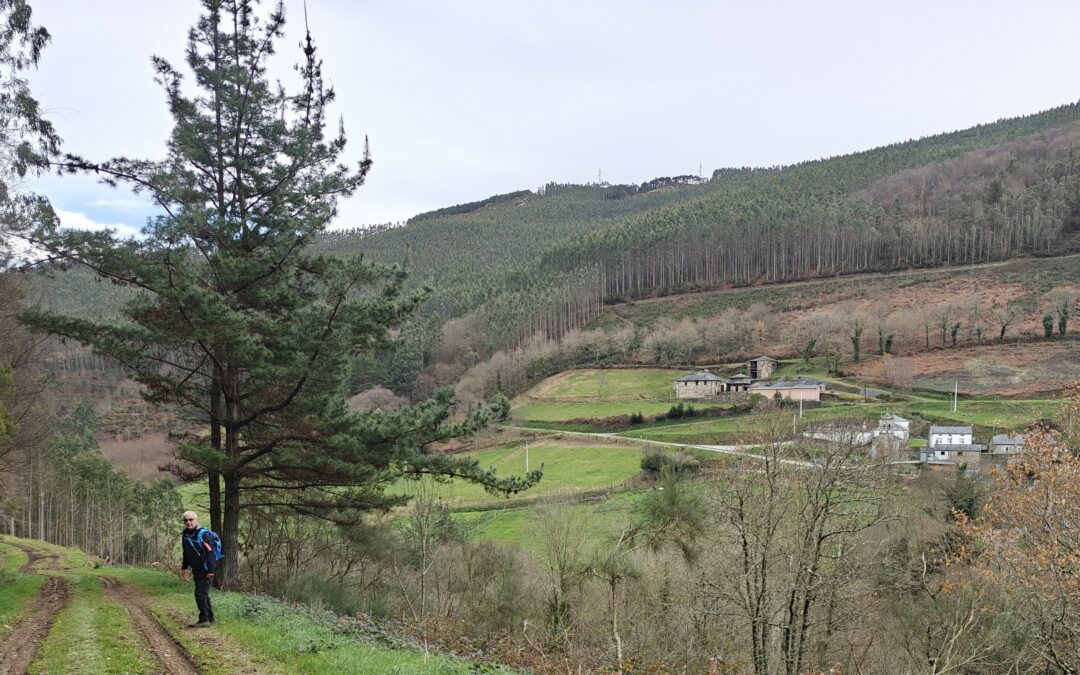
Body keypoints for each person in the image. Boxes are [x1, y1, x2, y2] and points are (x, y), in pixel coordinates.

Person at [179, 510, 217, 627]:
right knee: (204, 594)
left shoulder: (203, 534)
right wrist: (184, 568)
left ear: (196, 520)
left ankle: (204, 620)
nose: (188, 522)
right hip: (196, 569)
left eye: (191, 520)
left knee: (200, 594)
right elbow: (186, 553)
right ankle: (210, 619)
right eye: (186, 520)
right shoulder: (185, 535)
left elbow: (210, 553)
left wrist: (211, 571)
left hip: (206, 569)